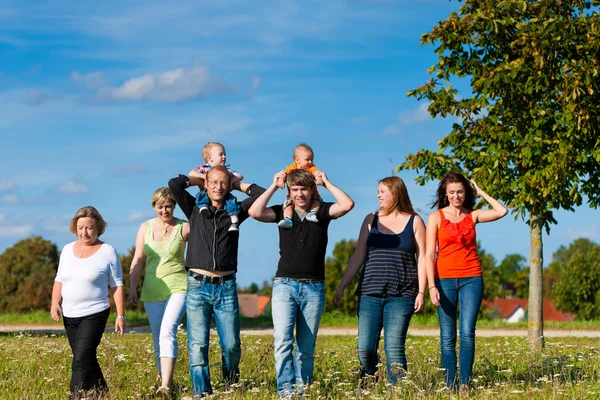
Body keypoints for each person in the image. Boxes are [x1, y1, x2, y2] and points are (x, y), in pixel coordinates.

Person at [249, 169, 354, 397]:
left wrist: (326, 182)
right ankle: (285, 390)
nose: (299, 194)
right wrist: (274, 187)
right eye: (294, 190)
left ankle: (302, 390)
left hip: (314, 288)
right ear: (289, 191)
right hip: (285, 285)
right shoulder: (281, 214)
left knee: (306, 348)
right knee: (282, 341)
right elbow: (254, 211)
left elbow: (347, 204)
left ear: (310, 190)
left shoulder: (323, 212)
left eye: (303, 189)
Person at [168, 165, 265, 397]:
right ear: (207, 184)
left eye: (223, 183)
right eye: (214, 183)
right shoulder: (193, 208)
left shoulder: (236, 212)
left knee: (231, 345)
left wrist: (235, 183)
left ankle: (231, 380)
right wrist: (200, 179)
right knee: (198, 345)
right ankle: (201, 392)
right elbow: (174, 184)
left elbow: (259, 193)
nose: (218, 187)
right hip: (197, 286)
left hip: (226, 286)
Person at [333, 176, 426, 384]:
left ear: (396, 193)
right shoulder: (370, 219)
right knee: (365, 348)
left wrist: (422, 291)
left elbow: (423, 258)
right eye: (378, 191)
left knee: (393, 348)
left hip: (402, 294)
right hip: (370, 292)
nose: (378, 195)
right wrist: (342, 285)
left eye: (382, 191)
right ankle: (368, 381)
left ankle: (398, 391)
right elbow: (359, 255)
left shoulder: (415, 221)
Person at [426, 171, 507, 389]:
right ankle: (449, 384)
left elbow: (502, 211)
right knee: (447, 336)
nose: (456, 196)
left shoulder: (473, 216)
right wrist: (431, 285)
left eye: (460, 192)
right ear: (445, 193)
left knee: (468, 332)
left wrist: (482, 193)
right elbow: (427, 255)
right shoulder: (435, 218)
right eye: (452, 192)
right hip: (444, 280)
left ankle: (464, 384)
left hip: (472, 277)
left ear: (466, 193)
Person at [50, 206, 126, 398]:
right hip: (70, 314)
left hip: (95, 313)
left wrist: (120, 315)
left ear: (98, 227)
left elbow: (117, 285)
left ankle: (74, 396)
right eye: (81, 227)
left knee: (80, 362)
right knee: (86, 357)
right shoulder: (67, 250)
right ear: (75, 227)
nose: (85, 232)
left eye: (90, 228)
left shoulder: (107, 251)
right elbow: (59, 279)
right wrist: (54, 303)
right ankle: (102, 394)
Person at [128, 187, 190, 395]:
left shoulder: (185, 226)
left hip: (178, 286)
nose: (165, 210)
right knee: (158, 339)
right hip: (152, 289)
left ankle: (164, 385)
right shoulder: (144, 227)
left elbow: (204, 246)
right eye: (160, 206)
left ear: (174, 206)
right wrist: (132, 288)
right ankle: (168, 386)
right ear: (154, 206)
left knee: (167, 331)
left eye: (169, 206)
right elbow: (138, 259)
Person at [189, 142, 244, 231]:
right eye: (220, 155)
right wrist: (205, 177)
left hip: (222, 194)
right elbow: (191, 173)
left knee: (231, 200)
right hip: (208, 191)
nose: (224, 157)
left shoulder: (226, 170)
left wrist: (230, 181)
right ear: (210, 158)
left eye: (225, 155)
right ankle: (203, 207)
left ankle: (234, 219)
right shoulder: (205, 167)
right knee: (201, 195)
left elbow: (240, 176)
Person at [276, 144, 322, 229]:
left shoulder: (311, 167)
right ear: (297, 160)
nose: (310, 162)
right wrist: (281, 181)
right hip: (292, 196)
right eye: (307, 160)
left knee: (317, 201)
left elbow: (317, 174)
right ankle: (288, 218)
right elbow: (283, 174)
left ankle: (312, 212)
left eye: (312, 159)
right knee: (288, 206)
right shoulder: (292, 167)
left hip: (313, 193)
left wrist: (319, 180)